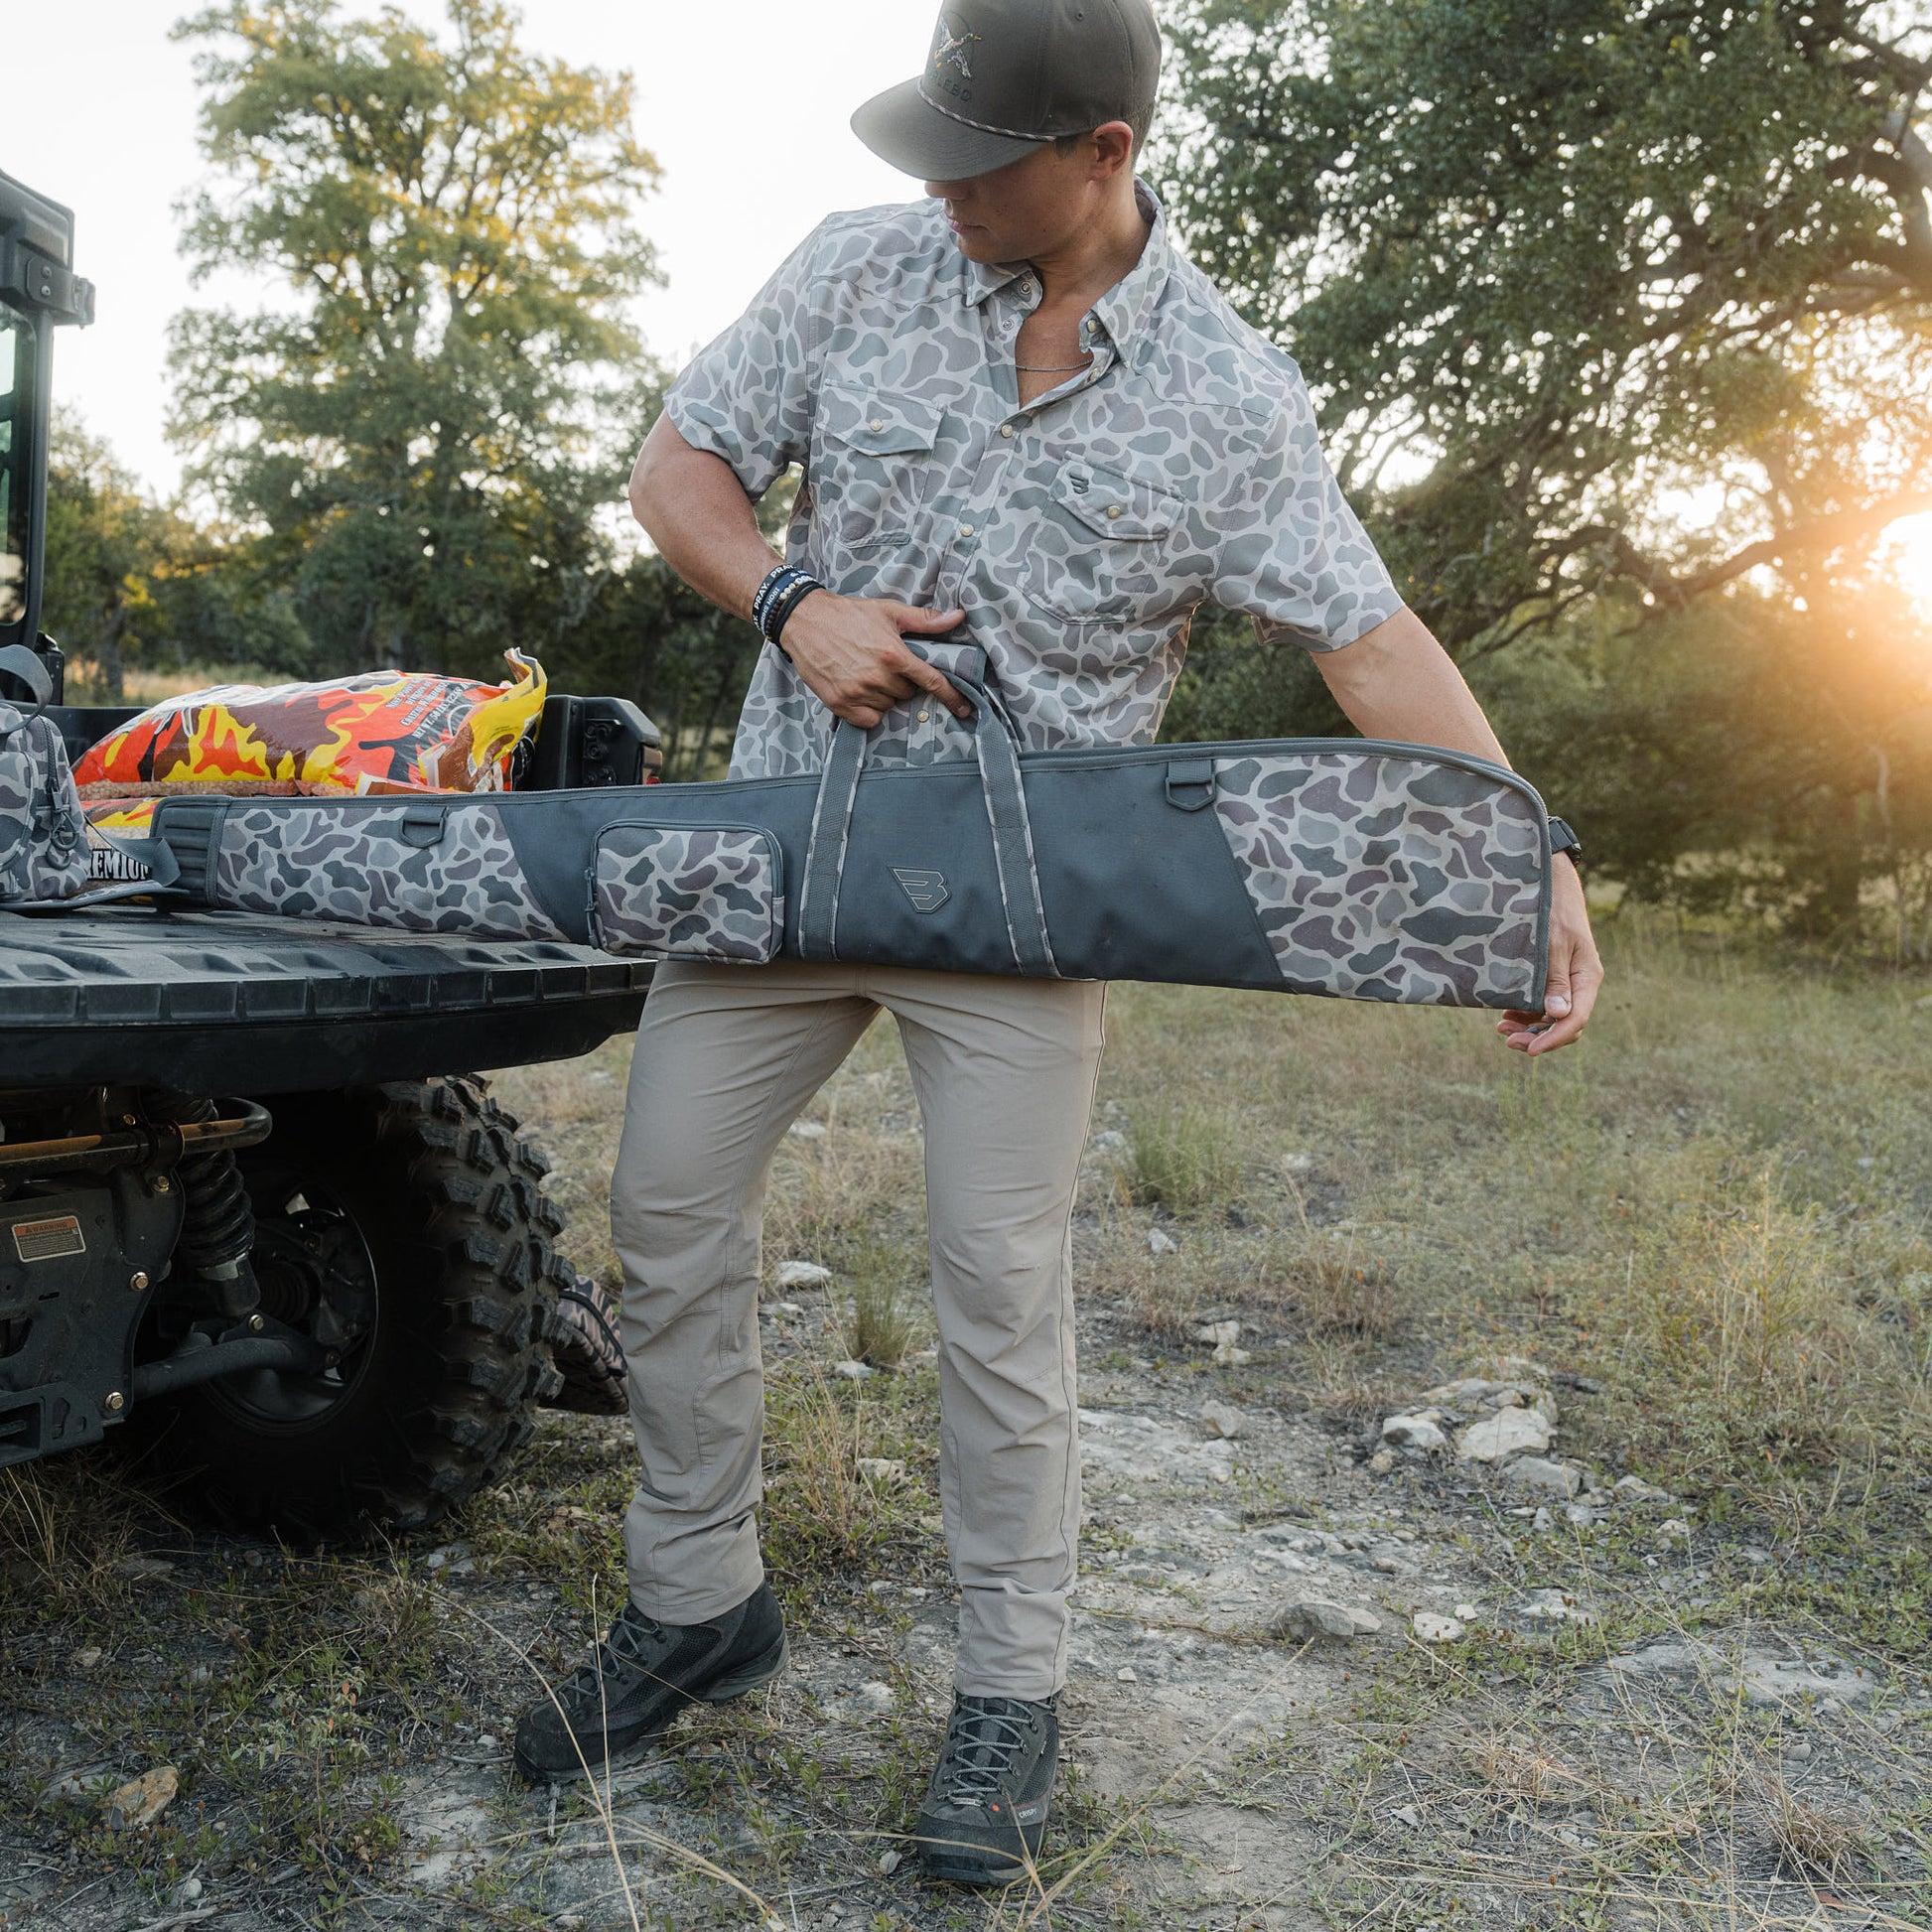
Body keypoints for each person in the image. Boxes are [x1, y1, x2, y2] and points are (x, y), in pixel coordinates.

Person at [512, 0, 1603, 1886]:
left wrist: (1536, 855)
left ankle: (1008, 1691)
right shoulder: (857, 269)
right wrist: (792, 602)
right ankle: (698, 1599)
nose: (934, 184)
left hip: (1018, 918)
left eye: (978, 154)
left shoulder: (1233, 397)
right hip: (786, 861)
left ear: (1102, 152)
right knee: (666, 1208)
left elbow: (1369, 640)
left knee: (992, 1281)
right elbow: (673, 469)